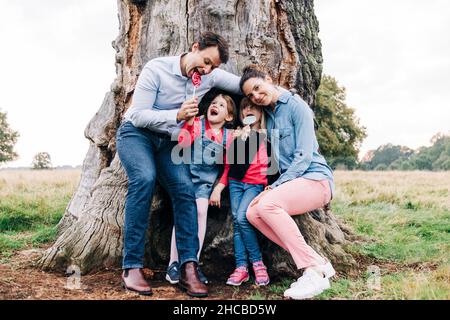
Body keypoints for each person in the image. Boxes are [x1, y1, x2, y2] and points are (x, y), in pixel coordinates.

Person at [116, 32, 240, 297]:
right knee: (145, 179)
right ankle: (132, 266)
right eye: (205, 61)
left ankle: (187, 267)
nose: (206, 70)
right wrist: (176, 115)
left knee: (186, 191)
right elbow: (137, 114)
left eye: (213, 67)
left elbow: (244, 85)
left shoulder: (209, 77)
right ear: (195, 48)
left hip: (169, 144)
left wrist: (279, 92)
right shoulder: (157, 68)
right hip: (136, 135)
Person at [239, 65, 336, 299]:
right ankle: (318, 262)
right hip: (292, 183)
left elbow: (303, 157)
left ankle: (312, 271)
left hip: (315, 179)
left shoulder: (296, 107)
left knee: (267, 205)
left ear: (269, 79)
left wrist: (273, 187)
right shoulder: (269, 114)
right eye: (250, 95)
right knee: (252, 214)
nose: (256, 96)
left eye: (257, 88)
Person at [165, 92, 236, 285]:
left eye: (221, 105)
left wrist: (218, 189)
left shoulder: (229, 137)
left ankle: (192, 263)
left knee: (201, 211)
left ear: (229, 116)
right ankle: (173, 263)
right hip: (185, 178)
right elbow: (181, 143)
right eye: (213, 103)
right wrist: (188, 124)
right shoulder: (197, 125)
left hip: (205, 184)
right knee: (183, 214)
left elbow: (229, 167)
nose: (215, 106)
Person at [211, 98, 275, 287]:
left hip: (255, 185)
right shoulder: (237, 135)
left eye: (253, 107)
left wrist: (270, 187)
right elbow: (230, 166)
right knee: (238, 224)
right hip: (236, 184)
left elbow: (272, 168)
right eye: (245, 107)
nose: (248, 109)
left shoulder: (268, 136)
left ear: (261, 113)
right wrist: (240, 140)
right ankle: (241, 268)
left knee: (241, 218)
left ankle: (258, 263)